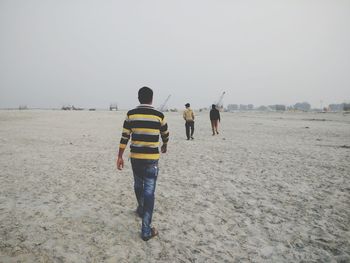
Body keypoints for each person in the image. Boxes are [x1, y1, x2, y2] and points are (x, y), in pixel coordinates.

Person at [116, 86, 169, 241]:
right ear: (151, 98)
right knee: (149, 191)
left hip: (136, 158)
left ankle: (140, 207)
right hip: (152, 159)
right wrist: (164, 145)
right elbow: (165, 134)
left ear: (139, 98)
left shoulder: (131, 115)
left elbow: (124, 136)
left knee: (138, 184)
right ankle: (146, 230)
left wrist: (119, 156)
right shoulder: (159, 115)